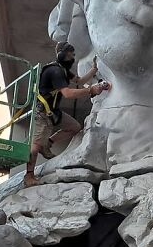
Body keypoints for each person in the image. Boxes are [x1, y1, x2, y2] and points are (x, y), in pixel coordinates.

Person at [24, 42, 110, 187]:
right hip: (43, 113)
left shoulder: (63, 71)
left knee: (75, 127)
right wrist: (91, 90)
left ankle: (48, 143)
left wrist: (94, 69)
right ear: (61, 54)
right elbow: (68, 93)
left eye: (73, 55)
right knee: (35, 146)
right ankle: (29, 176)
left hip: (54, 112)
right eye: (70, 55)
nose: (72, 58)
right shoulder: (55, 71)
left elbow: (79, 81)